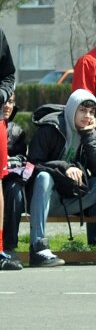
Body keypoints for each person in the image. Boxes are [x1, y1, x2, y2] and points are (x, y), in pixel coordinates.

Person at [26, 89, 96, 266]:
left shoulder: (89, 133)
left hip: (74, 198)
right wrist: (65, 167)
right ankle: (38, 248)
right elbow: (31, 166)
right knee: (44, 177)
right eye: (82, 110)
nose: (87, 116)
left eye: (91, 112)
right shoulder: (50, 129)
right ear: (72, 109)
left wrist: (90, 137)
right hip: (46, 199)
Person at [1, 98, 28, 268]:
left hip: (8, 180)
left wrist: (14, 161)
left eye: (10, 101)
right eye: (3, 101)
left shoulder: (17, 131)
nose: (7, 106)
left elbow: (27, 162)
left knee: (14, 190)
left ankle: (9, 247)